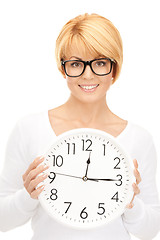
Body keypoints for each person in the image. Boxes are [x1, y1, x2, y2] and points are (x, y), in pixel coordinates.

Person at [0, 13, 160, 240]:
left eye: (100, 63)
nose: (87, 74)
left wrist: (131, 203)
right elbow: (3, 221)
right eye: (76, 64)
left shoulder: (139, 139)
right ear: (62, 68)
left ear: (114, 69)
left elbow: (150, 230)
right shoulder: (29, 129)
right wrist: (28, 195)